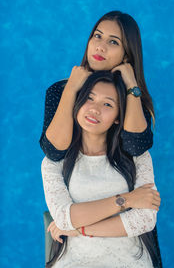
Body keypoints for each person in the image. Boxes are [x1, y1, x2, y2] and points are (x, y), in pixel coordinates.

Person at [41, 71, 162, 268]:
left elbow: (145, 219)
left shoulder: (138, 157)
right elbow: (63, 218)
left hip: (131, 262)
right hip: (75, 262)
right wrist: (127, 200)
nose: (95, 109)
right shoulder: (54, 162)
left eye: (108, 104)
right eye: (89, 98)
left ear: (117, 117)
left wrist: (78, 229)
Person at [39, 11, 154, 162]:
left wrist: (132, 85)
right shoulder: (59, 90)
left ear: (127, 54)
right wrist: (71, 89)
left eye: (113, 42)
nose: (100, 47)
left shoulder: (133, 95)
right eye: (97, 36)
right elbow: (53, 152)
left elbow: (135, 147)